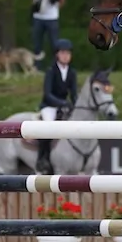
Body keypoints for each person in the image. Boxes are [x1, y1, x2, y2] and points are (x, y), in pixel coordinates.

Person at [35, 38, 78, 173]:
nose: (66, 56)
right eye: (63, 53)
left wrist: (77, 107)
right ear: (57, 55)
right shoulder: (51, 71)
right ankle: (43, 158)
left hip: (64, 106)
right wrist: (62, 103)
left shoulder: (72, 72)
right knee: (48, 126)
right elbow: (47, 94)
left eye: (68, 53)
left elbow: (74, 94)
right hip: (49, 106)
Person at [28, 0, 65, 68]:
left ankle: (56, 66)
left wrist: (56, 9)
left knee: (54, 43)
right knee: (37, 43)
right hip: (38, 17)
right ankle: (37, 67)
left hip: (52, 17)